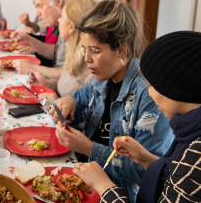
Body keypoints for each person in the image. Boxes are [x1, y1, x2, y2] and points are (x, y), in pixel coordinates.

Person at [49, 0, 174, 202]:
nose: (86, 58)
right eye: (84, 49)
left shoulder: (150, 96)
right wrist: (68, 102)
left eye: (95, 51)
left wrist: (89, 148)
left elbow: (148, 171)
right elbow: (79, 100)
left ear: (122, 50)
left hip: (119, 193)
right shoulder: (102, 78)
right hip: (84, 179)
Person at [73, 31, 201, 203]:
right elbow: (173, 175)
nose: (148, 92)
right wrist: (146, 159)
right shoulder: (188, 128)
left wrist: (104, 186)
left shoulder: (195, 155)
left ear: (175, 88)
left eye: (151, 85)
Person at [30, 0, 97, 99]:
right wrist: (48, 84)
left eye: (61, 17)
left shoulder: (92, 67)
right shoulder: (75, 52)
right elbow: (67, 89)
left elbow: (85, 111)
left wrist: (56, 103)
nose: (58, 20)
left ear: (71, 27)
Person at [12, 0, 72, 72]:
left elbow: (70, 74)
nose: (38, 13)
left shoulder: (72, 25)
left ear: (57, 1)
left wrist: (32, 68)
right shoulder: (62, 21)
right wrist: (29, 40)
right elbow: (56, 53)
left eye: (40, 6)